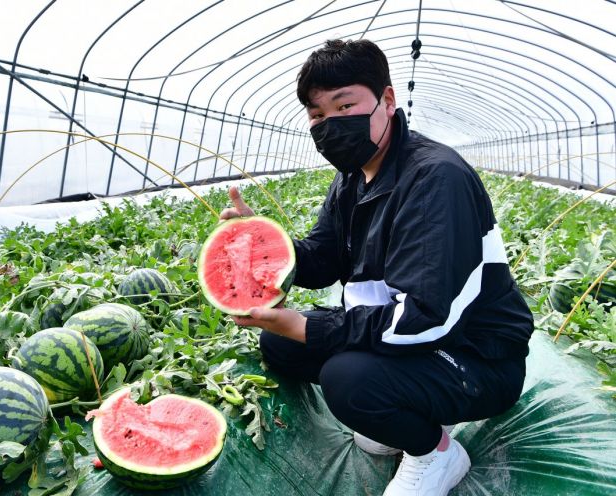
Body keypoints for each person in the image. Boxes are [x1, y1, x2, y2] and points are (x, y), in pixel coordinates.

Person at [220, 39, 534, 496]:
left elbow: (426, 319)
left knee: (347, 380)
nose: (330, 124)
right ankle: (399, 411)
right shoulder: (352, 176)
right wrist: (262, 246)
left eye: (345, 104)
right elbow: (323, 260)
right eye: (317, 114)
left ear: (387, 101)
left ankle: (436, 453)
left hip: (474, 356)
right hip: (410, 336)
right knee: (280, 345)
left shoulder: (435, 179)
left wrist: (309, 328)